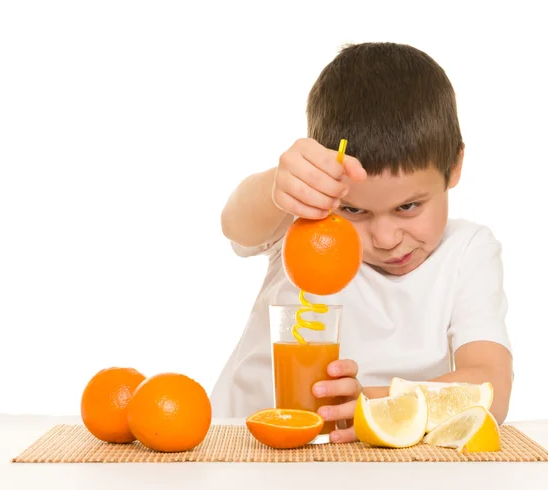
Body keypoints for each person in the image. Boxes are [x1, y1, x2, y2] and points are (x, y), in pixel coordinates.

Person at [212, 42, 513, 443]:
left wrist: (372, 405)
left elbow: (490, 385)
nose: (386, 238)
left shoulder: (467, 252)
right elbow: (235, 226)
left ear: (454, 166)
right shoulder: (307, 218)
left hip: (372, 459)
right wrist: (278, 187)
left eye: (408, 206)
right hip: (237, 444)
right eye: (355, 211)